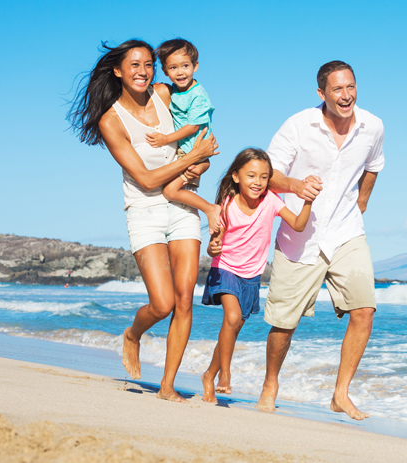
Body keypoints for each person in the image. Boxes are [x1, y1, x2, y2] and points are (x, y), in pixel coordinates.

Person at [67, 39, 219, 402]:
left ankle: (167, 386)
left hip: (181, 206)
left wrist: (200, 158)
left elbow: (200, 128)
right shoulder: (111, 121)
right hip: (144, 210)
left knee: (184, 301)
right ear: (118, 70)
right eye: (134, 65)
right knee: (163, 303)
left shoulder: (164, 94)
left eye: (149, 64)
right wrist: (193, 157)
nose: (143, 71)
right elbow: (148, 180)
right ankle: (133, 335)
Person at [255, 60, 384, 420]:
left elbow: (374, 166)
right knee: (284, 321)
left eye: (351, 87)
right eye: (338, 89)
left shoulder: (372, 126)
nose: (346, 96)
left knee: (364, 311)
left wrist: (360, 205)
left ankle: (340, 394)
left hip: (346, 231)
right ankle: (270, 384)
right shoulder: (298, 126)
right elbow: (268, 173)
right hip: (301, 233)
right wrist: (296, 186)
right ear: (321, 93)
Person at [201, 148, 314, 401]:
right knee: (231, 318)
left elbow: (297, 225)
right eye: (251, 175)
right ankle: (225, 376)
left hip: (252, 276)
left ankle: (209, 374)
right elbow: (213, 244)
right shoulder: (226, 206)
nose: (258, 182)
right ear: (236, 176)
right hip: (226, 268)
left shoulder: (271, 201)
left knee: (233, 328)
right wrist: (211, 247)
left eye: (264, 177)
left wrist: (308, 201)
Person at [145, 38, 220, 234]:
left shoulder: (198, 96)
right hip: (188, 151)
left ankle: (210, 209)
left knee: (170, 191)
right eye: (173, 68)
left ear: (195, 66)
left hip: (192, 149)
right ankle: (203, 165)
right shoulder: (177, 91)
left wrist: (165, 139)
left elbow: (193, 127)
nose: (180, 72)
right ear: (165, 70)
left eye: (185, 66)